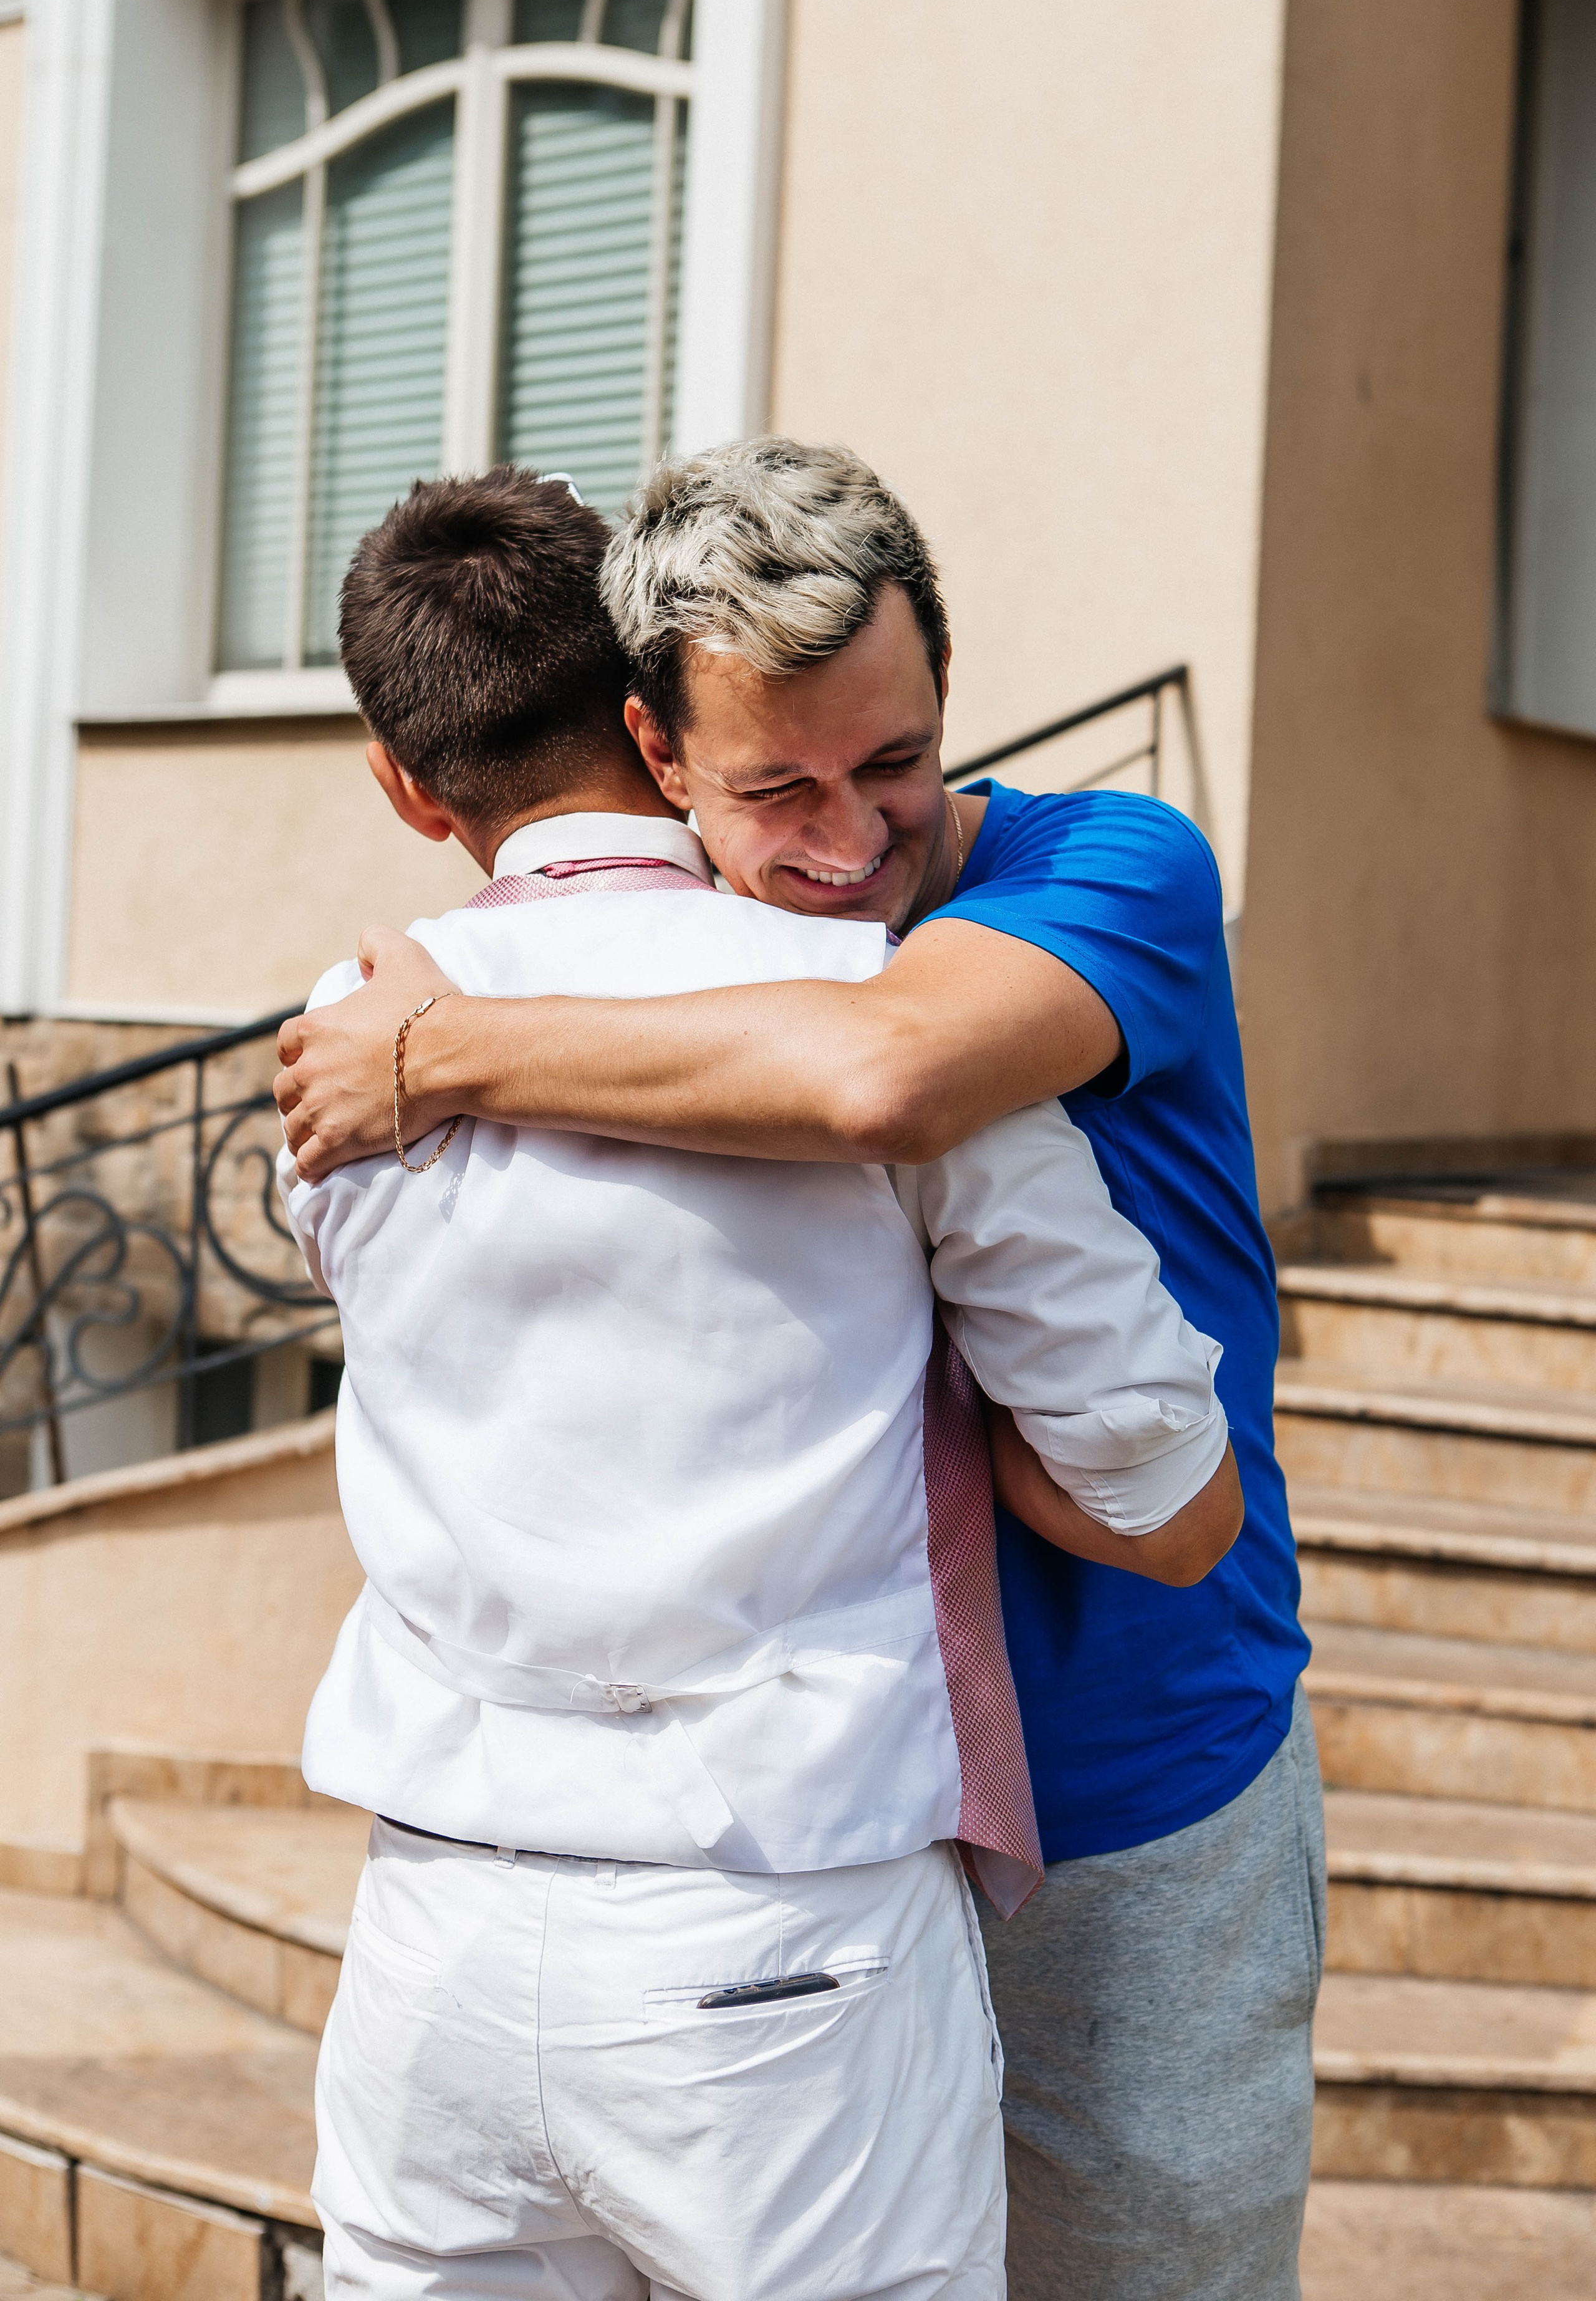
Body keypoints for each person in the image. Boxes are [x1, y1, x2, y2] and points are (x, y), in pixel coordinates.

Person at [278, 438, 1325, 2301]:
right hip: (821, 1848)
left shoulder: (1110, 869)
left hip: (1132, 1788)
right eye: (779, 786)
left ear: (949, 694)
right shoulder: (692, 967)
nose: (846, 842)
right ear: (658, 754)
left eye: (894, 763)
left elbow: (880, 1076)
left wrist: (432, 1051)